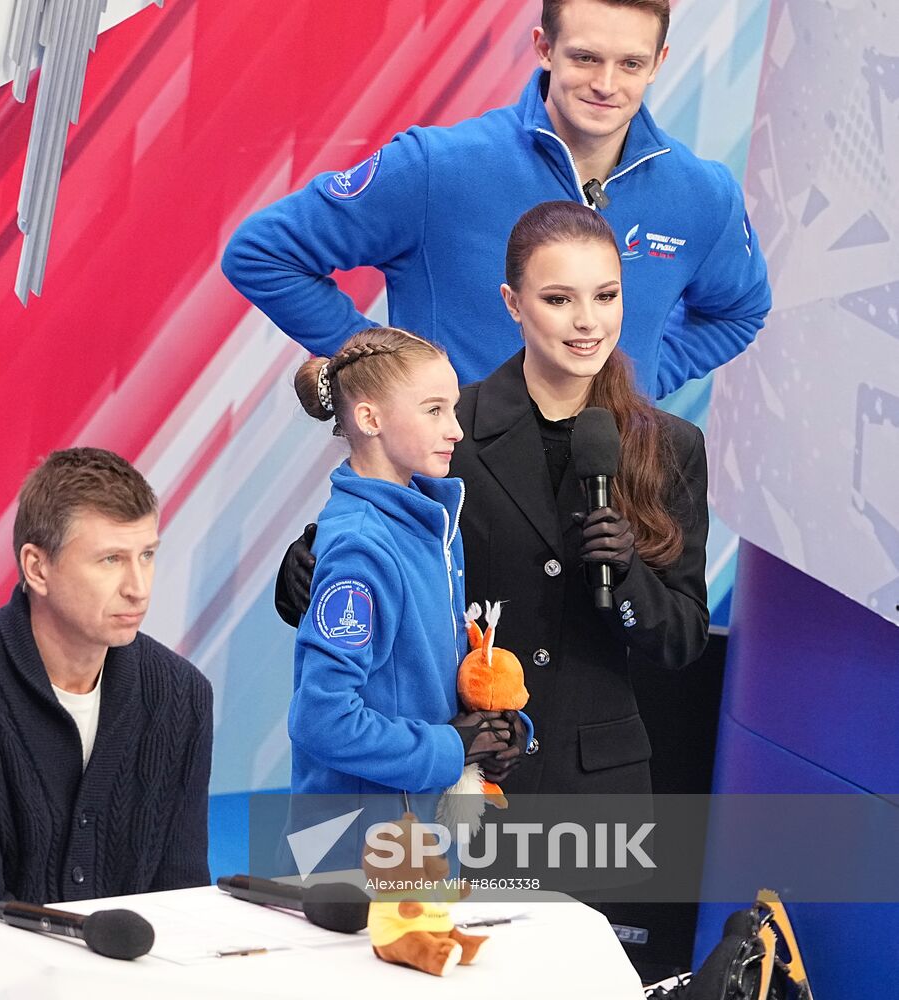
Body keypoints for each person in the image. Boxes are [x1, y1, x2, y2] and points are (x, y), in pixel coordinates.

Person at [277, 201, 710, 797]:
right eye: (559, 299)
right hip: (466, 774)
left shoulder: (671, 446)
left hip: (600, 788)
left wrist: (628, 574)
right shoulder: (448, 431)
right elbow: (376, 564)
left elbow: (681, 640)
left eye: (605, 296)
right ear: (513, 303)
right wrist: (303, 562)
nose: (587, 321)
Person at [221, 0, 770, 399]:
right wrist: (390, 371)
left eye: (629, 63)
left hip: (604, 510)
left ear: (658, 62)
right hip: (450, 503)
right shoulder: (439, 165)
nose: (606, 84)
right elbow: (262, 253)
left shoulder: (703, 194)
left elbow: (739, 312)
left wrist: (639, 381)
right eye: (584, 58)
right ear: (543, 48)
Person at [0, 447, 213, 973]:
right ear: (37, 567)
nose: (138, 586)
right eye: (110, 560)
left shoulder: (181, 695)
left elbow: (180, 900)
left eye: (147, 554)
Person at [287, 328, 526, 799]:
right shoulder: (361, 547)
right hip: (357, 847)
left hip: (421, 832)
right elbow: (322, 719)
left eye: (453, 408)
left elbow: (429, 678)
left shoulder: (432, 525)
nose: (456, 428)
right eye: (434, 409)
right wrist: (450, 746)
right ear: (370, 418)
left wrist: (497, 732)